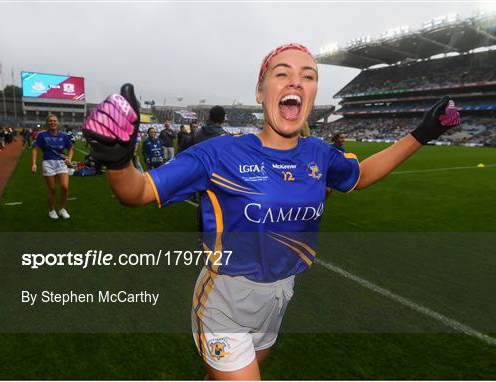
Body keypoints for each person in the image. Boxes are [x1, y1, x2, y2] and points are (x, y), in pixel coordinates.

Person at [82, 43, 460, 380]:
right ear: (261, 92)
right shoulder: (219, 154)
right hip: (224, 301)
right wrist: (118, 160)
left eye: (308, 76)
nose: (296, 81)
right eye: (283, 73)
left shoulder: (320, 154)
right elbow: (138, 192)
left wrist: (422, 134)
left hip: (280, 297)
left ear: (313, 94)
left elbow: (360, 175)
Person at [32, 114, 74, 219]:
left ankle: (62, 209)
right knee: (52, 189)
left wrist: (69, 158)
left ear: (58, 122)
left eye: (54, 121)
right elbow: (35, 149)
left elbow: (71, 148)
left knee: (65, 187)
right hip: (48, 163)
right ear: (47, 123)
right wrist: (34, 163)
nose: (52, 123)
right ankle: (51, 210)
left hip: (61, 163)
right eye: (50, 121)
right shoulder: (42, 135)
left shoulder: (63, 135)